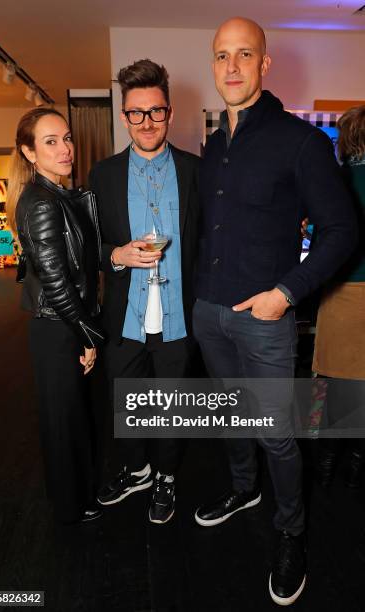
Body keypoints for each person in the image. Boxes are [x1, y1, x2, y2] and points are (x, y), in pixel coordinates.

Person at [193, 17, 357, 606]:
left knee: (277, 435)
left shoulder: (301, 142)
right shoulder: (214, 145)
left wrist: (285, 294)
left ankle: (291, 532)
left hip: (264, 319)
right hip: (208, 314)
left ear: (265, 65)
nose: (231, 67)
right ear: (212, 65)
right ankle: (243, 490)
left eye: (244, 55)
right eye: (220, 56)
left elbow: (342, 231)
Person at [89, 59, 199, 524]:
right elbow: (89, 245)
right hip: (125, 313)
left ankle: (166, 479)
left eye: (156, 111)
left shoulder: (197, 171)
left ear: (170, 114)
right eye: (137, 112)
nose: (147, 122)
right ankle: (138, 471)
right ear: (123, 115)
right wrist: (117, 255)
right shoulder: (103, 175)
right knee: (128, 402)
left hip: (180, 314)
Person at [6, 107, 104, 524]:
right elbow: (57, 284)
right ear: (30, 153)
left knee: (72, 418)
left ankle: (78, 496)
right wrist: (87, 338)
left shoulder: (60, 194)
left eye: (66, 138)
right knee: (62, 423)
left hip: (64, 324)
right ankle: (70, 507)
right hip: (58, 328)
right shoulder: (42, 203)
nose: (65, 148)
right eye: (50, 142)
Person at [313, 105, 365, 489]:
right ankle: (358, 461)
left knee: (334, 383)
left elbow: (321, 246)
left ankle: (329, 461)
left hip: (342, 291)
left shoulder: (336, 180)